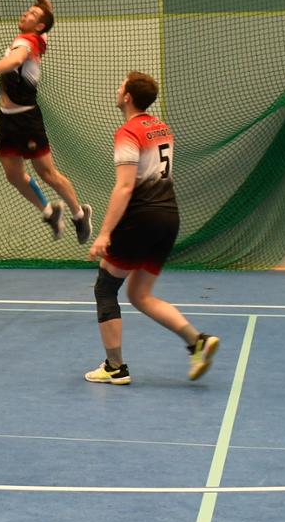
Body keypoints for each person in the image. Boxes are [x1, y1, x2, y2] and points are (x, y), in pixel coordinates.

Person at [82, 72, 220, 385]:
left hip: (141, 218)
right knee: (140, 294)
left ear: (127, 97)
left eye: (121, 85)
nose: (117, 89)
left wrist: (104, 233)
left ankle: (115, 367)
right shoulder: (161, 127)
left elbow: (125, 186)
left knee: (106, 288)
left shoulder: (127, 133)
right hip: (168, 217)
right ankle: (196, 341)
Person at [0, 0, 92, 243]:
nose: (25, 14)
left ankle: (79, 214)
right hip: (6, 118)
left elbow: (15, 61)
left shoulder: (26, 42)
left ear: (38, 26)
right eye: (28, 11)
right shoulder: (40, 37)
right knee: (13, 175)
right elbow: (48, 17)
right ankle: (50, 212)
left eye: (31, 14)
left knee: (47, 174)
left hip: (26, 120)